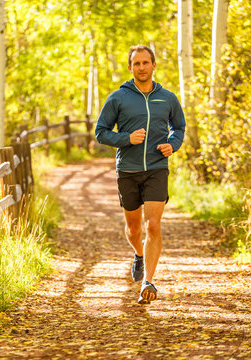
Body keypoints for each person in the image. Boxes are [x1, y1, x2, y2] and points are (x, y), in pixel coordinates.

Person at [95, 45, 185, 304]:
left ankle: (149, 280)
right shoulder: (118, 98)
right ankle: (138, 253)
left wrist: (173, 144)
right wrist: (126, 138)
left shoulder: (167, 98)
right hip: (128, 170)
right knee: (134, 230)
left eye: (146, 62)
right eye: (137, 63)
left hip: (157, 167)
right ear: (130, 67)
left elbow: (178, 127)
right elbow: (101, 132)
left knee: (153, 225)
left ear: (154, 65)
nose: (142, 67)